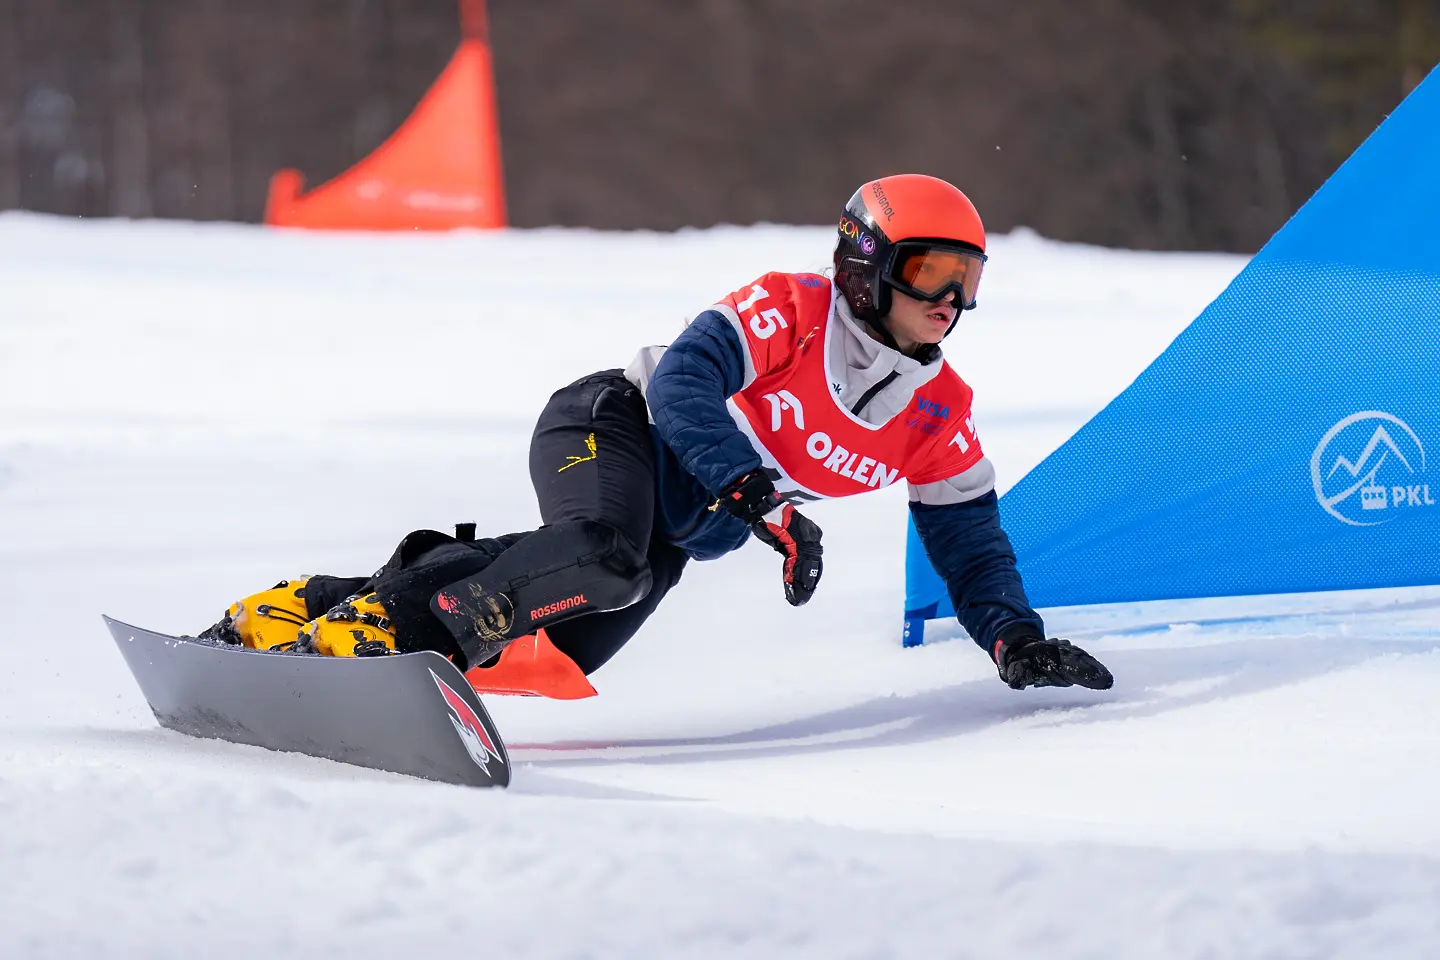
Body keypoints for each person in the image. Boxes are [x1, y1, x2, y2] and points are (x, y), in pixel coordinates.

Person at [202, 174, 1113, 693]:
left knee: (553, 645)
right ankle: (372, 634)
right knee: (601, 555)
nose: (949, 302)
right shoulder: (791, 307)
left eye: (968, 279)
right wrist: (753, 492)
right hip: (612, 426)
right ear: (867, 265)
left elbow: (971, 543)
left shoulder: (938, 411)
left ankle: (304, 607)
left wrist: (1012, 638)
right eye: (930, 272)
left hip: (680, 533)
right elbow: (683, 384)